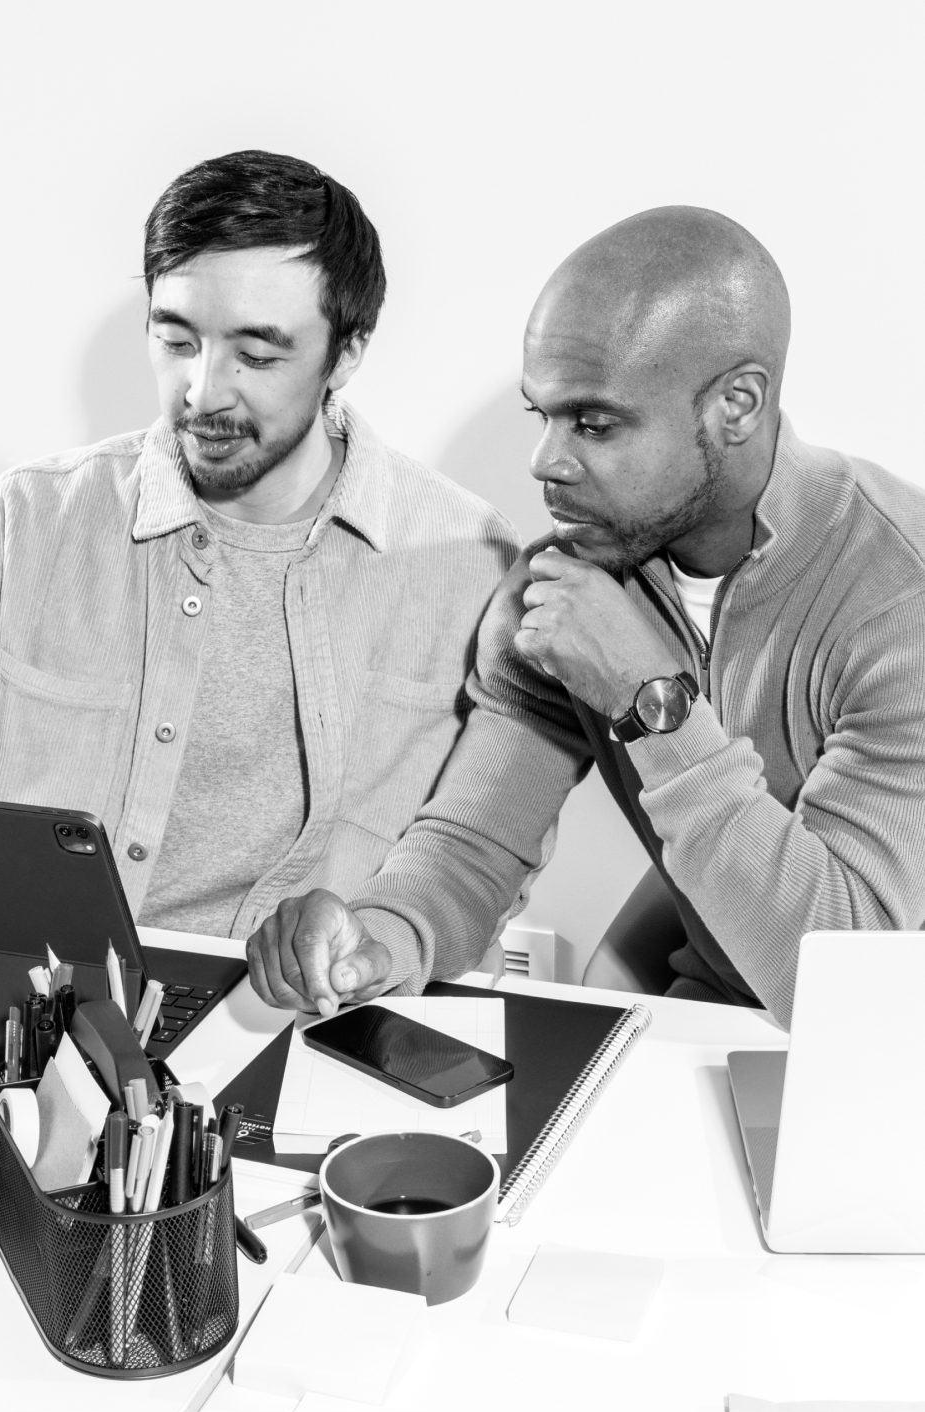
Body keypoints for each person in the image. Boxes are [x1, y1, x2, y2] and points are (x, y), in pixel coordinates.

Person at [0, 150, 518, 936]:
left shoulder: (468, 560)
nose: (204, 393)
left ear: (347, 351)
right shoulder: (26, 522)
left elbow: (489, 851)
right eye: (177, 341)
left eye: (258, 355)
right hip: (47, 1003)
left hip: (318, 1021)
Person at [247, 206, 925, 1030]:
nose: (544, 463)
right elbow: (476, 844)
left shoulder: (900, 602)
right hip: (718, 1013)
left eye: (594, 424)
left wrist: (650, 699)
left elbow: (839, 980)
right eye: (545, 416)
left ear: (737, 405)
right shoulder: (566, 587)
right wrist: (380, 939)